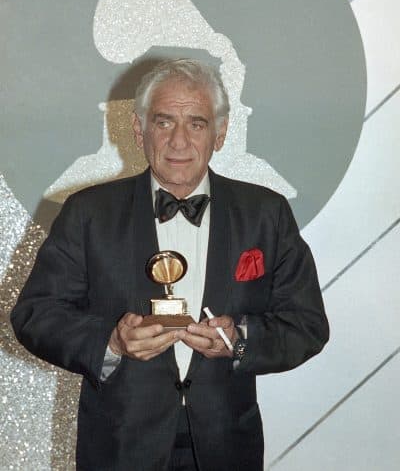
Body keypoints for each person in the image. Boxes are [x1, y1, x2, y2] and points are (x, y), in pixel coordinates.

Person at [11, 59, 329, 471]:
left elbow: (307, 325)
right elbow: (36, 315)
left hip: (228, 446)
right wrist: (112, 341)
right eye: (164, 123)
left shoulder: (265, 213)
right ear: (140, 129)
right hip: (119, 446)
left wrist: (241, 339)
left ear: (221, 132)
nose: (179, 141)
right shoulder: (88, 212)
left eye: (196, 123)